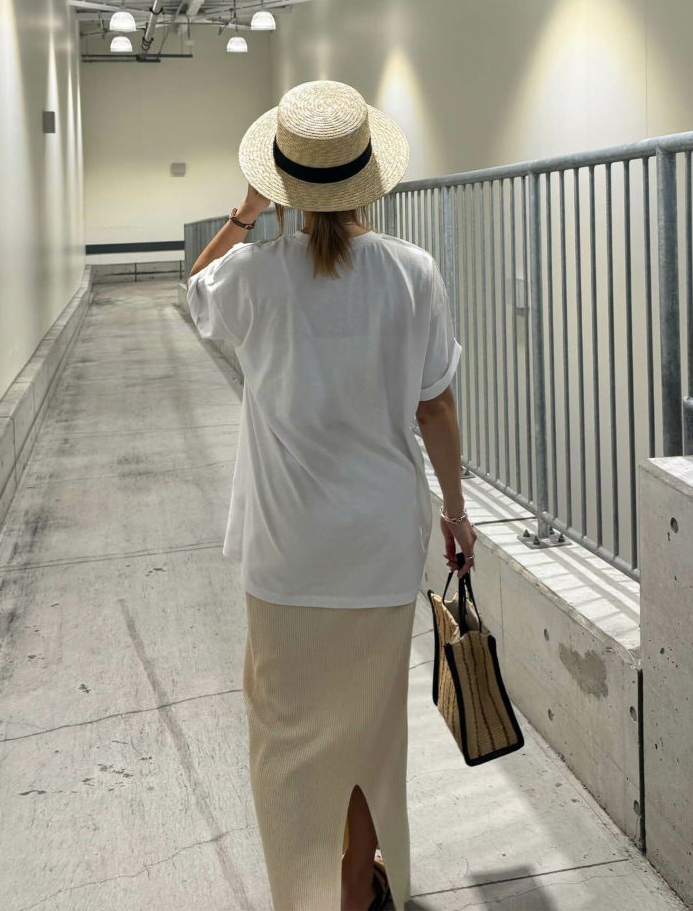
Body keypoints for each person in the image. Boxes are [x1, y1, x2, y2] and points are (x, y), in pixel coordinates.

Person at [186, 80, 477, 911]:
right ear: (366, 177)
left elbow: (194, 289)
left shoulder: (255, 274)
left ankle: (302, 891)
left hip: (286, 554)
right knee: (369, 732)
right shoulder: (412, 272)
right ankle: (356, 887)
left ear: (280, 184)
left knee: (285, 739)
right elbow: (435, 408)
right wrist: (456, 514)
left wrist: (244, 215)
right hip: (379, 547)